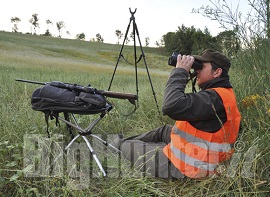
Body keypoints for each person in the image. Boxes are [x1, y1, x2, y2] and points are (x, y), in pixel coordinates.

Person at [119, 49, 241, 179]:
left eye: (201, 67)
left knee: (127, 145)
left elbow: (171, 105)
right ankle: (124, 142)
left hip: (185, 168)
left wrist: (180, 71)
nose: (197, 70)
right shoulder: (223, 94)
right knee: (164, 130)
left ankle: (120, 144)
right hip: (199, 153)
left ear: (217, 72)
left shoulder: (214, 98)